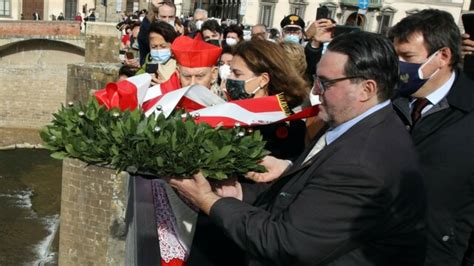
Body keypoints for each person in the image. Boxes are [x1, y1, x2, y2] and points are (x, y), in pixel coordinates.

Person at [167, 31, 427, 266]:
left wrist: (209, 200)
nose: (315, 91)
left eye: (325, 83)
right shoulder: (353, 123)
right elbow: (304, 193)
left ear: (366, 89)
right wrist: (241, 193)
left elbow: (286, 243)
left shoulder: (361, 162)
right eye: (316, 79)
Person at [389, 9, 474, 266]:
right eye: (395, 56)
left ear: (443, 56)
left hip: (438, 255)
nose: (398, 65)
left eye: (407, 57)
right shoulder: (386, 103)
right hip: (376, 247)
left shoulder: (468, 111)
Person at [136, 21, 179, 86]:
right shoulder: (149, 59)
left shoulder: (179, 64)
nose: (158, 50)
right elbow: (138, 76)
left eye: (163, 46)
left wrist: (167, 86)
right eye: (154, 47)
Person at [137, 0, 177, 65]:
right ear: (157, 16)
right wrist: (151, 10)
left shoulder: (181, 33)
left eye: (171, 17)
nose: (167, 20)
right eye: (163, 17)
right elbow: (143, 32)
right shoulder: (149, 33)